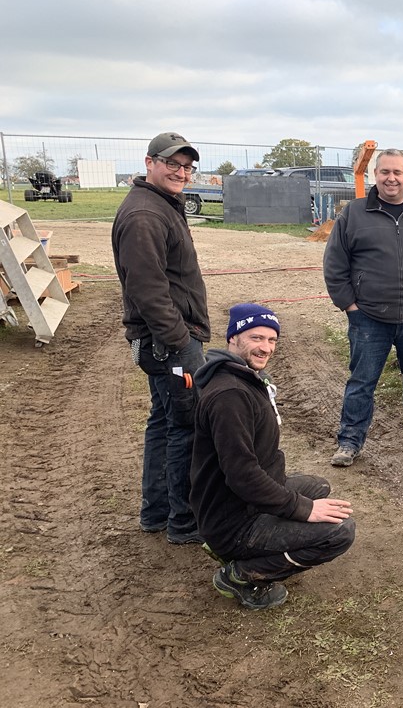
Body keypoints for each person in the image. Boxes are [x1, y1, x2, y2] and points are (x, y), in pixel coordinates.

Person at [191, 304, 355, 610]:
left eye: (271, 340)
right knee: (339, 532)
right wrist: (301, 509)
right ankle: (242, 575)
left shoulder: (244, 377)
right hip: (232, 520)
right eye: (256, 338)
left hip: (243, 502)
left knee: (318, 486)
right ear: (233, 337)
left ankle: (254, 549)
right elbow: (243, 475)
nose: (265, 348)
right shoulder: (230, 395)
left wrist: (299, 504)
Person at [324, 149, 403, 466]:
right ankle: (349, 441)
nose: (391, 178)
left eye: (397, 172)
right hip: (369, 318)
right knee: (362, 381)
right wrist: (349, 305)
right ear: (375, 175)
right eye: (385, 172)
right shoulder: (354, 215)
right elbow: (335, 264)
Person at [111, 132, 208, 545]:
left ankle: (156, 512)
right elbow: (147, 288)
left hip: (165, 341)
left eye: (187, 166)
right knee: (187, 427)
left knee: (164, 421)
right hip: (168, 344)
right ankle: (184, 522)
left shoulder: (161, 204)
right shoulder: (145, 215)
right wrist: (179, 340)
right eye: (172, 164)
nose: (181, 172)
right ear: (150, 162)